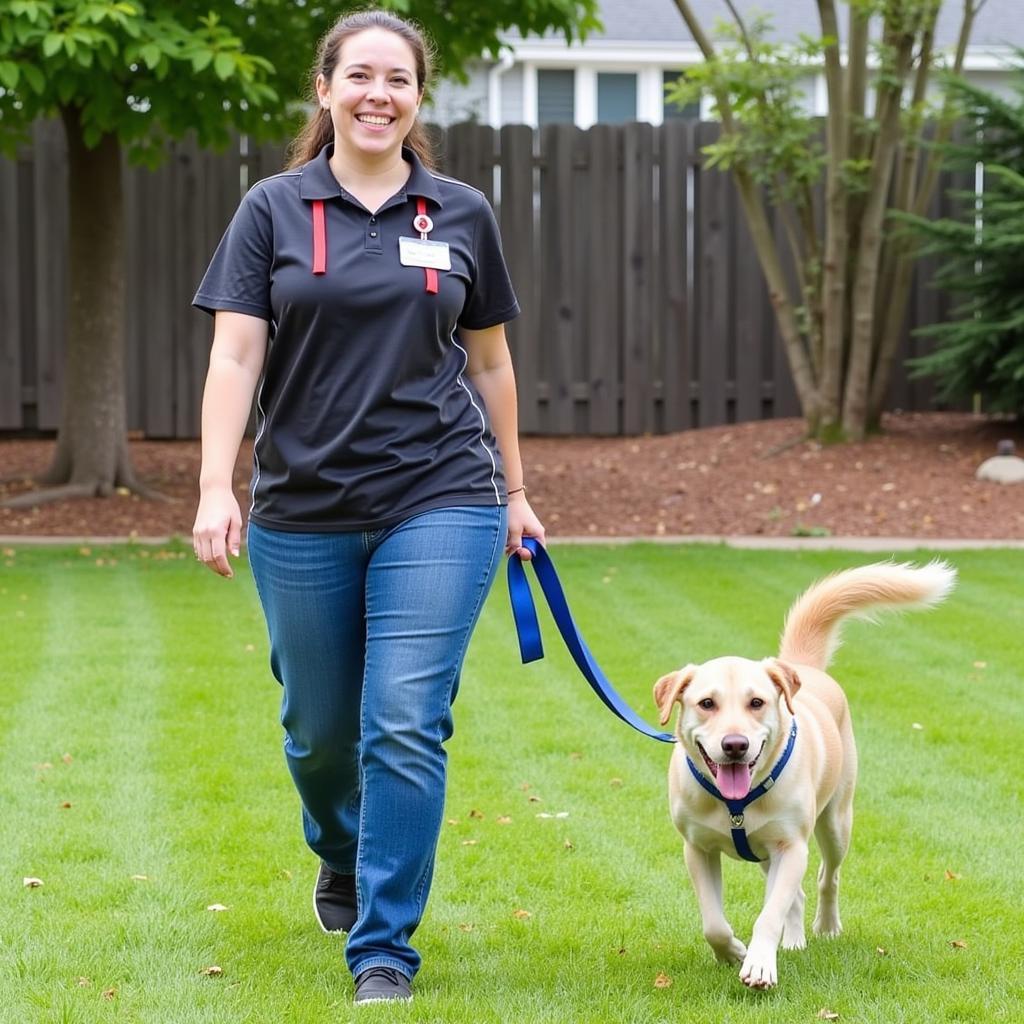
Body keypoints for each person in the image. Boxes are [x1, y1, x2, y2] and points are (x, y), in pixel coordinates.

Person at [191, 8, 544, 1007]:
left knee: (403, 719)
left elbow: (490, 361)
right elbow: (234, 353)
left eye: (398, 78)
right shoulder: (272, 208)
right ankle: (339, 848)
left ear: (418, 97)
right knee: (318, 730)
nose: (378, 93)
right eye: (360, 76)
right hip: (301, 505)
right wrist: (218, 483)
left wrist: (514, 492)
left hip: (440, 494)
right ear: (325, 90)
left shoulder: (459, 213)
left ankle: (383, 948)